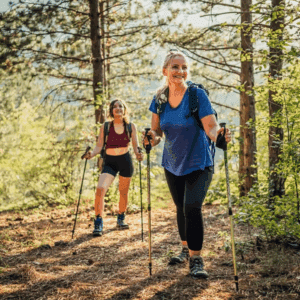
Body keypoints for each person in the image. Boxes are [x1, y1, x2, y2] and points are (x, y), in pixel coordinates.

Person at [143, 50, 231, 278]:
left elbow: (210, 127)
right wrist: (152, 138)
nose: (180, 71)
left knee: (192, 207)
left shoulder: (197, 95)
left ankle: (196, 258)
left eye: (184, 67)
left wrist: (219, 135)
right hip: (172, 162)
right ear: (165, 71)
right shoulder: (159, 98)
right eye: (175, 67)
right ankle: (185, 247)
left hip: (199, 161)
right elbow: (158, 130)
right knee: (180, 208)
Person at [84, 99, 143, 236]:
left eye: (120, 106)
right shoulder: (105, 126)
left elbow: (135, 146)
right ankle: (98, 221)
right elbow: (99, 146)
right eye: (114, 107)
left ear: (124, 109)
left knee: (123, 192)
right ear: (111, 111)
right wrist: (91, 154)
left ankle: (121, 218)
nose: (118, 109)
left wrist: (139, 155)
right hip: (110, 161)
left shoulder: (130, 126)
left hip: (125, 161)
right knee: (100, 189)